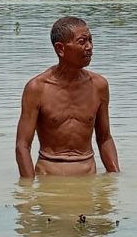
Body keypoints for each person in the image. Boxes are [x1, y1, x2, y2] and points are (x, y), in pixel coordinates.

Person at [15, 17, 120, 177]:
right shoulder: (37, 88)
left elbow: (105, 138)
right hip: (49, 179)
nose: (89, 47)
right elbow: (22, 146)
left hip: (88, 177)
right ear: (60, 49)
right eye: (82, 41)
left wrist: (114, 181)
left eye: (91, 40)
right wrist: (28, 192)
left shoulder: (99, 85)